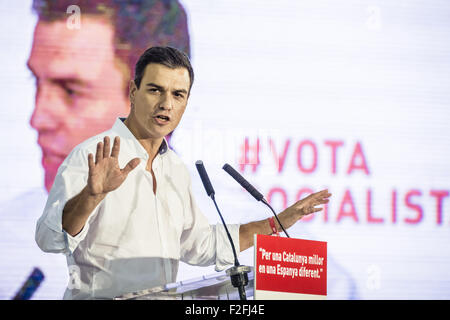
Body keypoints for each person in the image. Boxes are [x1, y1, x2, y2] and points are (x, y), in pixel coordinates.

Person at [35, 46, 332, 299]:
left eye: (178, 94)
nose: (166, 104)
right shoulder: (93, 155)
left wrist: (276, 222)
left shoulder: (174, 168)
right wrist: (90, 196)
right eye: (155, 90)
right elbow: (48, 239)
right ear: (134, 91)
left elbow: (203, 245)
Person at [0, 0, 191, 299]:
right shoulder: (6, 239)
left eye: (71, 90)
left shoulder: (243, 246)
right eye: (36, 82)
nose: (37, 118)